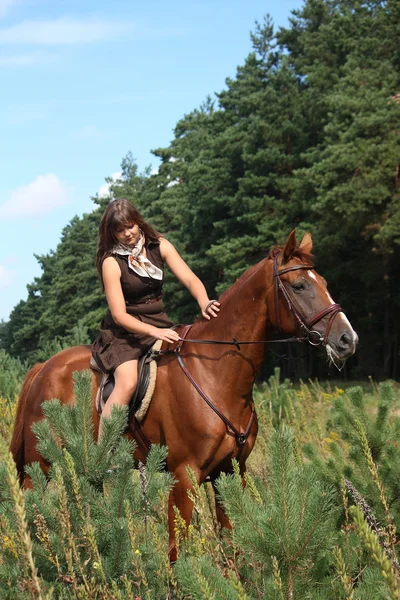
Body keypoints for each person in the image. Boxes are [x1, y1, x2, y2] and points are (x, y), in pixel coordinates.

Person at [92, 198, 220, 439]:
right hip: (124, 334)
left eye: (130, 226)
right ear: (112, 233)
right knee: (128, 382)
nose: (127, 233)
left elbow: (191, 279)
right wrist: (155, 332)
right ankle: (104, 454)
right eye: (119, 230)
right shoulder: (111, 262)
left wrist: (204, 302)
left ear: (138, 222)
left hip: (159, 323)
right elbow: (119, 315)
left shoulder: (159, 246)